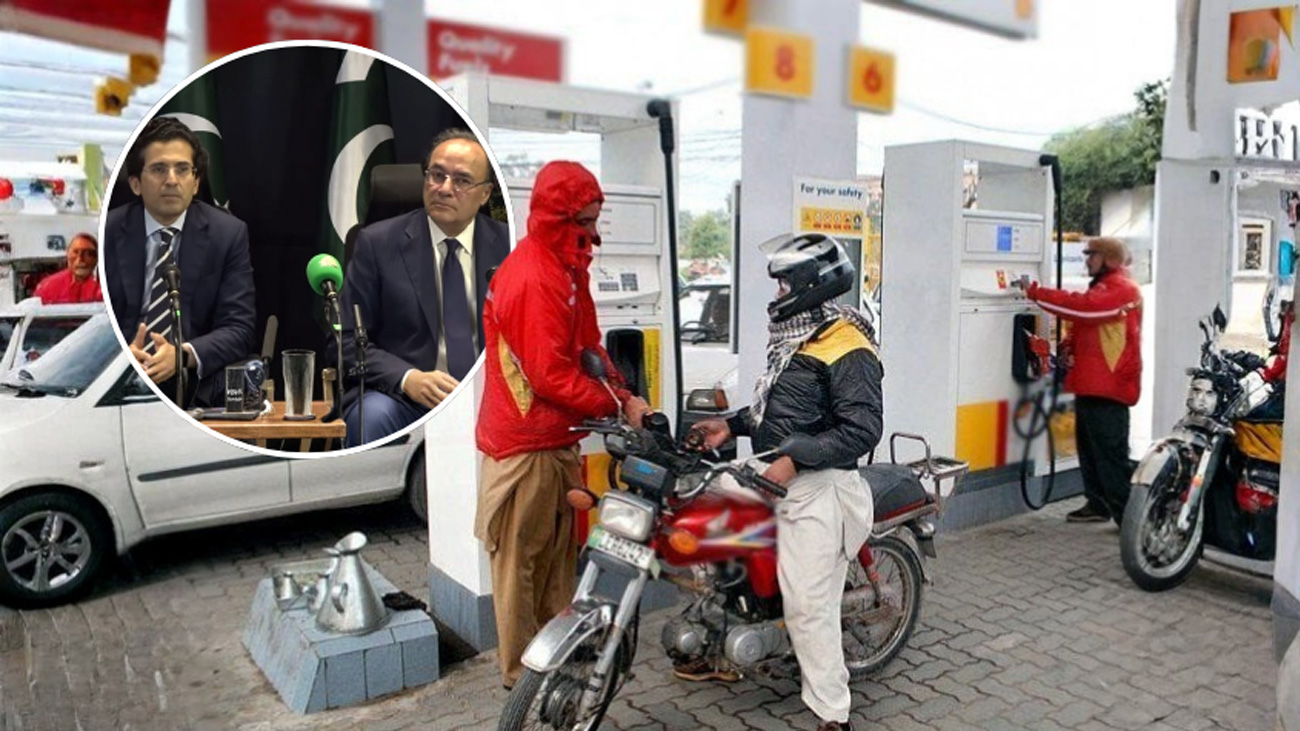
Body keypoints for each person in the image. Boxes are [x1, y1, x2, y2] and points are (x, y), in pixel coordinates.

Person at [689, 233, 881, 731]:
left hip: (822, 484)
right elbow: (783, 414)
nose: (777, 296)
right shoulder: (798, 337)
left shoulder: (847, 343)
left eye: (783, 285)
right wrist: (729, 427)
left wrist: (795, 461)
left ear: (811, 286)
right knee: (697, 516)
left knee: (808, 606)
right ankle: (722, 633)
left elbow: (861, 428)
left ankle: (832, 712)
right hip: (775, 471)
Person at [473, 161, 650, 689]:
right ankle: (519, 680)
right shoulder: (532, 276)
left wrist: (625, 393)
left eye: (598, 219)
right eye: (588, 220)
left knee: (557, 560)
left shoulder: (568, 267)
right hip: (523, 447)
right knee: (518, 567)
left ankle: (559, 654)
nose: (595, 233)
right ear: (561, 216)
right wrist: (616, 408)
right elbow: (549, 375)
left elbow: (589, 347)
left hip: (560, 439)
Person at [340, 128, 510, 446]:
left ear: (485, 194)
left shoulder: (508, 247)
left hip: (492, 396)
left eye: (461, 180)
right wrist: (408, 378)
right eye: (436, 175)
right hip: (406, 399)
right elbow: (346, 340)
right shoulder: (377, 244)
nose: (444, 188)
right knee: (372, 416)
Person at [103, 116, 255, 407]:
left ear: (196, 182)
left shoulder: (228, 234)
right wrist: (120, 356)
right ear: (135, 183)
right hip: (119, 386)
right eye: (159, 169)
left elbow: (240, 328)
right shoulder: (109, 231)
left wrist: (182, 354)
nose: (171, 179)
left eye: (182, 169)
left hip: (197, 387)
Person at [1019, 236, 1142, 523]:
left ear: (1109, 258)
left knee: (1111, 456)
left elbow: (1084, 309)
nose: (1087, 260)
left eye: (1093, 255)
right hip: (1090, 384)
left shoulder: (1122, 289)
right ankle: (1098, 505)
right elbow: (1086, 325)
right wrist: (1068, 347)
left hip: (1109, 389)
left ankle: (1130, 523)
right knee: (1089, 450)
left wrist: (1035, 292)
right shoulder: (1102, 287)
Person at [34, 232, 102, 303]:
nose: (80, 259)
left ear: (97, 257)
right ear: (67, 254)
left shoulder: (108, 288)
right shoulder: (47, 287)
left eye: (88, 253)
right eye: (75, 252)